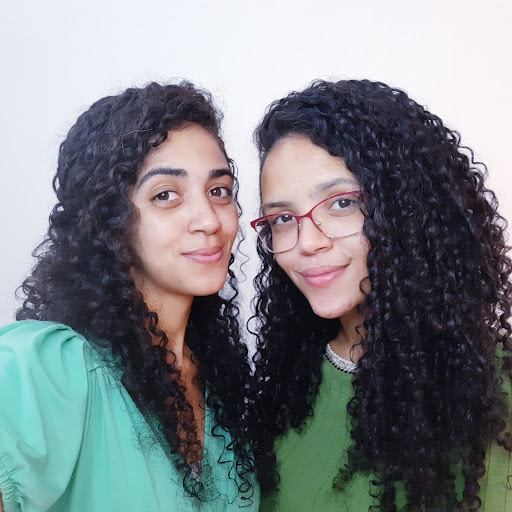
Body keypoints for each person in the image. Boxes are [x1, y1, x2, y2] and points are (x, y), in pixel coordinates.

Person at [249, 79, 512, 511]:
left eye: (341, 203)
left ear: (407, 209)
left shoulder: (496, 391)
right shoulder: (283, 391)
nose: (306, 242)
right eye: (281, 218)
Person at [0, 82, 259, 511]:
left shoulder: (222, 381)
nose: (209, 220)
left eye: (219, 191)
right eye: (165, 195)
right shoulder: (47, 369)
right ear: (110, 221)